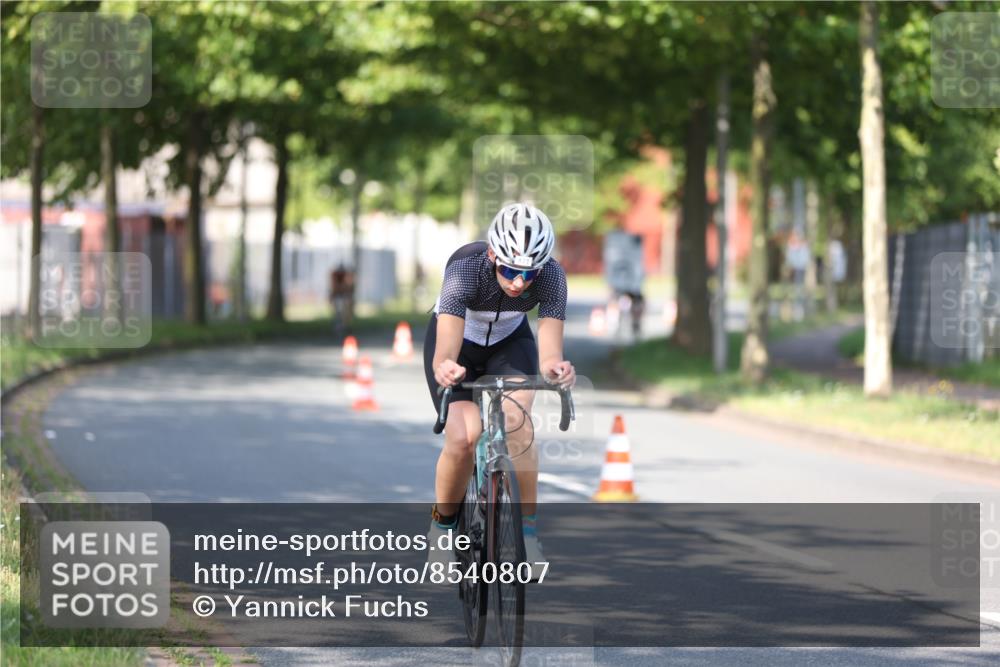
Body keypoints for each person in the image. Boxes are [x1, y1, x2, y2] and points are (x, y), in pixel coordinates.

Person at [424, 202, 575, 580]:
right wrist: (446, 366)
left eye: (529, 272)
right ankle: (442, 531)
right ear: (493, 254)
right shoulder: (465, 269)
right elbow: (445, 349)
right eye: (509, 270)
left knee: (518, 425)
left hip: (510, 343)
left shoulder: (552, 276)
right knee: (463, 436)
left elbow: (550, 351)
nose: (519, 282)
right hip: (459, 343)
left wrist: (556, 368)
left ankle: (528, 534)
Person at [329, 263, 354, 333]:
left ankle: (344, 326)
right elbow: (334, 289)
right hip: (338, 298)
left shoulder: (346, 277)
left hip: (343, 298)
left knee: (344, 314)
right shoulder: (335, 276)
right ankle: (338, 327)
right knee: (338, 314)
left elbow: (348, 289)